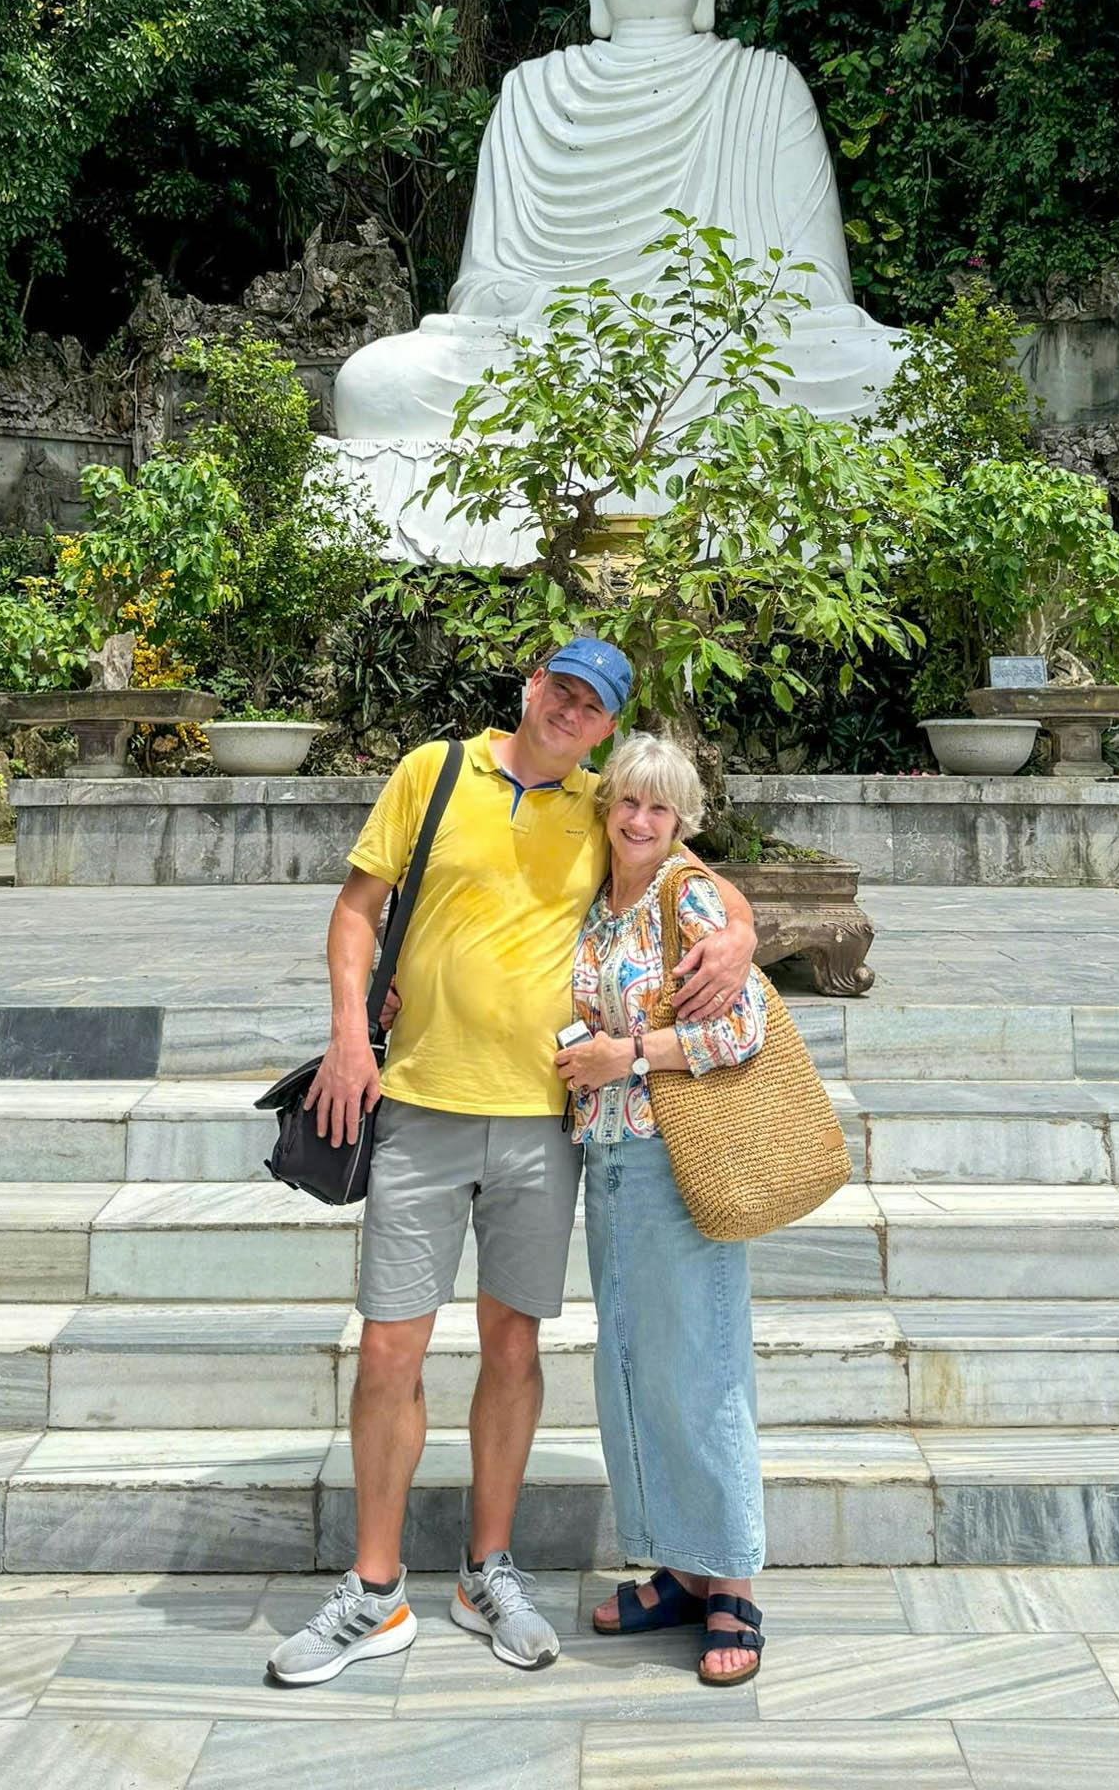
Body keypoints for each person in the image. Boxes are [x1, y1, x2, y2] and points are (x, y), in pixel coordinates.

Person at [266, 638, 757, 1689]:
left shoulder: (598, 803)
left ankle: (487, 1568)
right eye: (562, 690)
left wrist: (744, 932)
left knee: (513, 1349)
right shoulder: (434, 770)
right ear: (532, 687)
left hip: (544, 1119)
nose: (572, 712)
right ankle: (374, 1585)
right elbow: (356, 909)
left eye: (594, 707)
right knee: (391, 1348)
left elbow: (683, 867)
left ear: (607, 729)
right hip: (421, 1104)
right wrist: (351, 1034)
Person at [553, 731, 769, 1688]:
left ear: (682, 820)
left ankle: (734, 1581)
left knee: (703, 1363)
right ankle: (678, 1565)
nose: (640, 822)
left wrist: (628, 1053)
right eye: (628, 803)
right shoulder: (595, 899)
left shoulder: (690, 896)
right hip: (605, 1156)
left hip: (677, 1156)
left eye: (660, 808)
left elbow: (740, 1026)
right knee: (633, 1365)